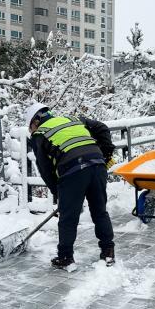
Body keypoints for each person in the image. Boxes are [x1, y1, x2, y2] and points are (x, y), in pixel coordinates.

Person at [25, 102, 116, 270]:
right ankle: (108, 252)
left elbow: (45, 170)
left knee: (68, 218)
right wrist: (106, 153)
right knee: (100, 211)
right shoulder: (72, 119)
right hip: (98, 165)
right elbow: (102, 128)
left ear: (35, 122)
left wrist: (58, 193)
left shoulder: (40, 135)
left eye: (30, 127)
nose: (31, 131)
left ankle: (65, 257)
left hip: (73, 171)